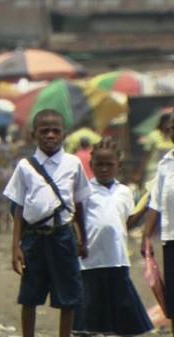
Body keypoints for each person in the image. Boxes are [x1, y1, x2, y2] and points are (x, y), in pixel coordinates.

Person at [3, 108, 91, 337]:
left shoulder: (73, 164)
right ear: (34, 135)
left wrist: (84, 238)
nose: (50, 135)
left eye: (55, 131)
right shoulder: (25, 166)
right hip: (34, 237)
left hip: (63, 236)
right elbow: (19, 207)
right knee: (30, 295)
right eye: (44, 131)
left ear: (64, 134)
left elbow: (79, 204)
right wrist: (16, 247)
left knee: (68, 296)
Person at [73, 137, 153, 336]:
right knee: (90, 306)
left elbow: (126, 223)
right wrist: (79, 241)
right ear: (91, 165)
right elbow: (76, 218)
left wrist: (144, 208)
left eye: (109, 165)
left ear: (119, 166)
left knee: (120, 305)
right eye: (99, 164)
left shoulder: (124, 192)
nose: (104, 169)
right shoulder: (85, 191)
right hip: (90, 259)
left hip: (117, 258)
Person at [141, 116, 174, 336]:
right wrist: (146, 235)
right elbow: (155, 201)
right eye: (171, 128)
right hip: (170, 239)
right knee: (172, 300)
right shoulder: (165, 164)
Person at [140, 112, 173, 190]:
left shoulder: (172, 136)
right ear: (162, 122)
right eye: (167, 122)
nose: (168, 125)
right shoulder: (153, 135)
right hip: (153, 170)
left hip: (170, 170)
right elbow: (146, 155)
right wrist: (140, 172)